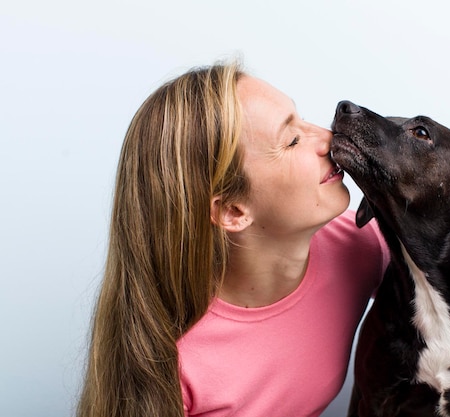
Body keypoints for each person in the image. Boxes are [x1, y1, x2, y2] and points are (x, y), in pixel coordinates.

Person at [76, 60, 389, 417]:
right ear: (232, 211)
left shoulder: (360, 246)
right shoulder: (176, 364)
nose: (328, 139)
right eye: (291, 140)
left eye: (301, 119)